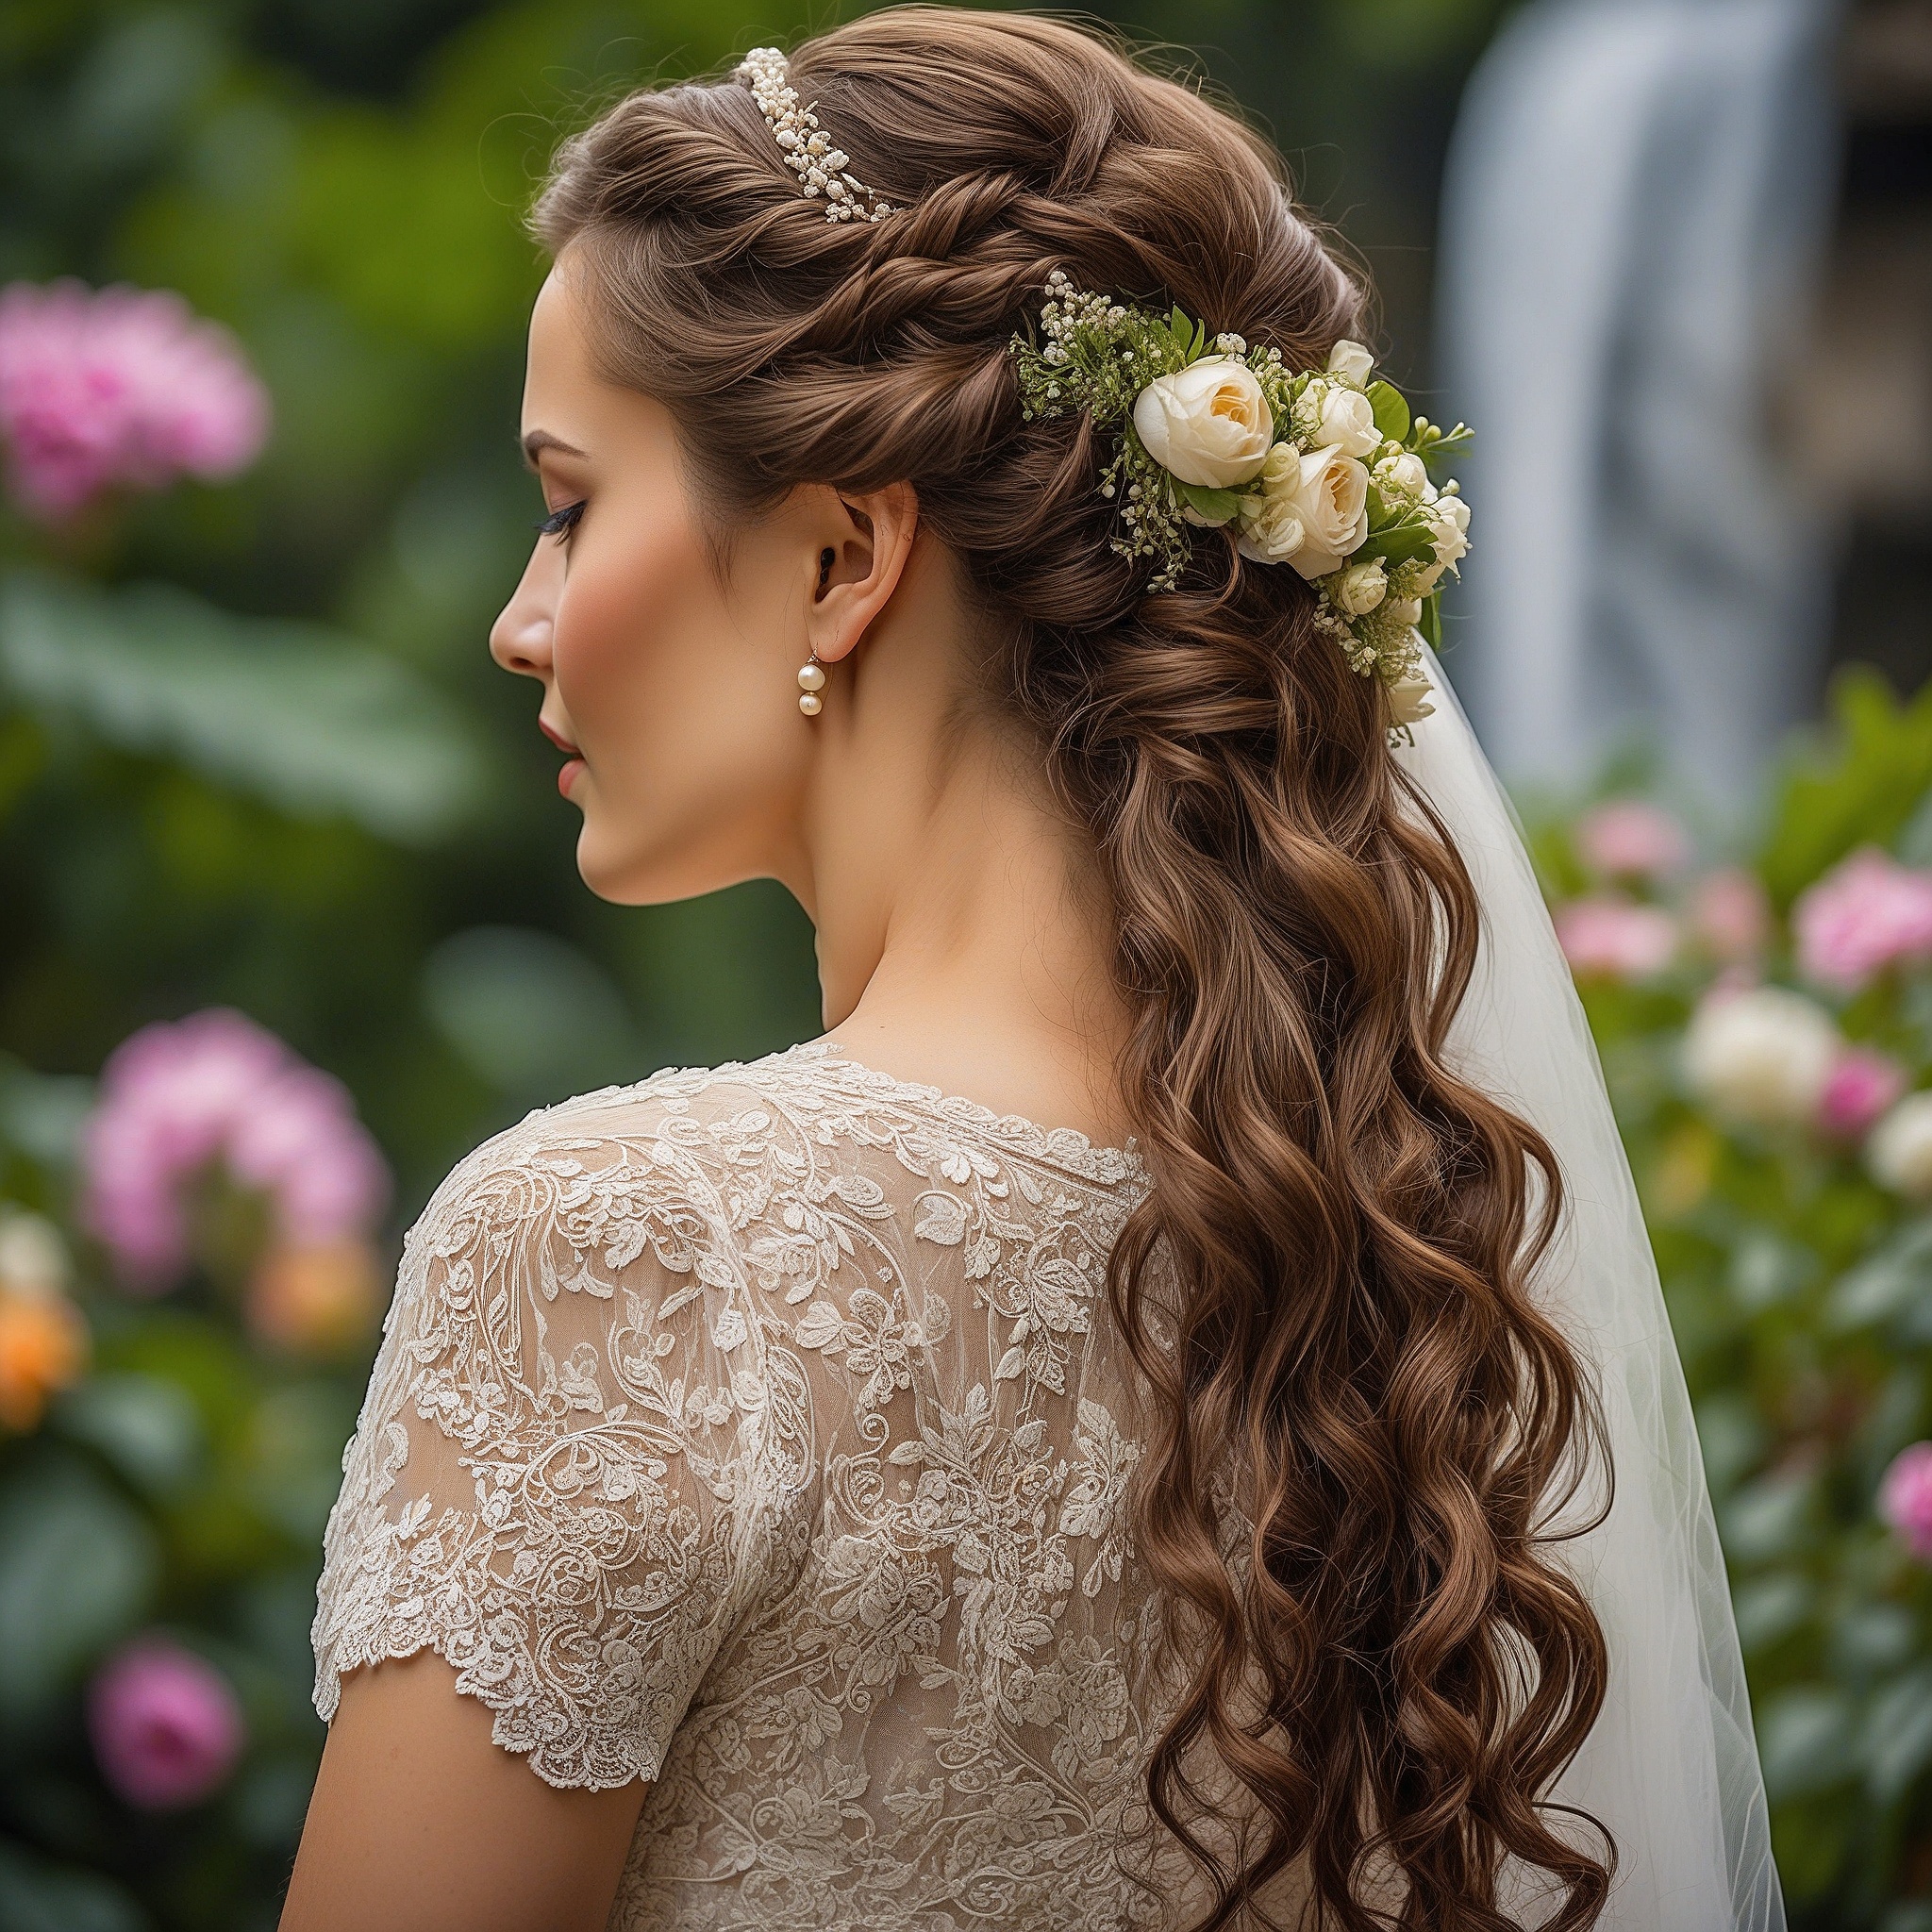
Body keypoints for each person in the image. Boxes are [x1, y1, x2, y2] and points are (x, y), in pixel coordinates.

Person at [282, 12, 1780, 1928]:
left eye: (573, 500)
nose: (520, 617)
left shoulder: (621, 1252)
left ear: (841, 554)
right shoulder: (1386, 1279)